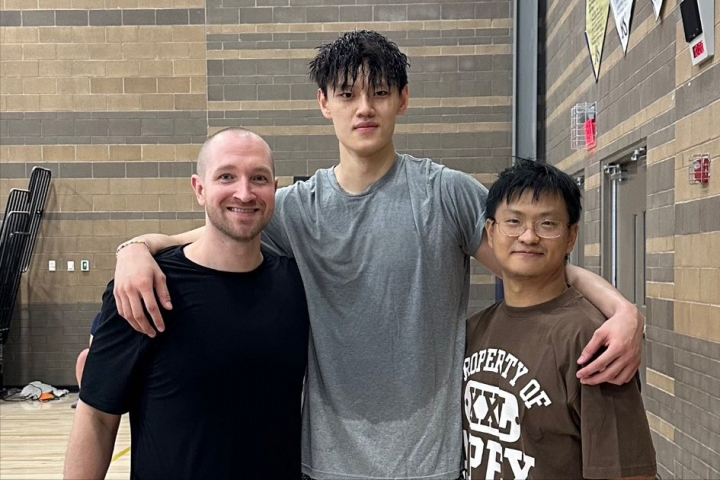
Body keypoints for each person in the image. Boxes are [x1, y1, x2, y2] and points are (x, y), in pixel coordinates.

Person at [112, 31, 644, 480]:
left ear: (402, 100)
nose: (364, 108)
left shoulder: (446, 193)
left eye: (380, 92)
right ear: (325, 103)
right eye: (347, 94)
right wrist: (136, 247)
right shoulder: (297, 209)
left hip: (432, 464)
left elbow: (534, 262)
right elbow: (216, 231)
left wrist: (623, 311)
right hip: (327, 465)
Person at [64, 128, 310, 479]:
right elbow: (97, 418)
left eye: (258, 178)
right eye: (226, 176)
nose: (244, 193)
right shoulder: (144, 287)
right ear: (199, 188)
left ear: (274, 189)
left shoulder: (296, 286)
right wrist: (135, 247)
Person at [463, 160, 656, 479]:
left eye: (547, 224)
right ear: (490, 232)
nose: (528, 236)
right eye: (514, 221)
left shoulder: (592, 339)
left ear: (571, 236)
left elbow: (628, 473)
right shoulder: (476, 329)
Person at [70, 312, 101, 409]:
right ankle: (83, 395)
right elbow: (93, 345)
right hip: (107, 356)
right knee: (84, 355)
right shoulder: (101, 317)